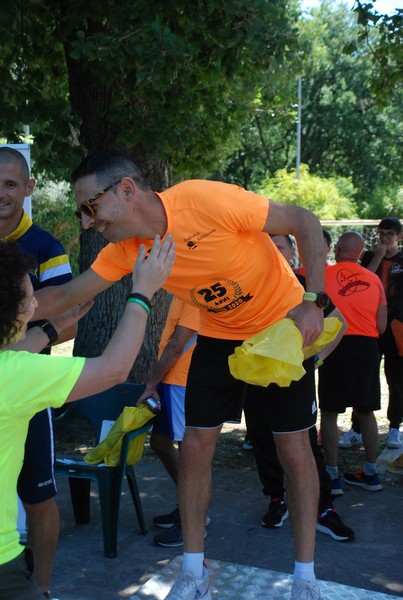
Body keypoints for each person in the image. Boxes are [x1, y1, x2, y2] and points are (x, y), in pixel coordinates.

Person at [33, 149, 329, 600]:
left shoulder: (203, 200)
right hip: (218, 336)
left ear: (126, 191)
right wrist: (13, 313)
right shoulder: (127, 249)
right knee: (193, 447)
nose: (86, 222)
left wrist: (313, 299)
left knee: (294, 450)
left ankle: (305, 579)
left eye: (89, 207)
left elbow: (304, 221)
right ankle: (194, 572)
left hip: (280, 328)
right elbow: (69, 293)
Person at [0, 236, 174, 600]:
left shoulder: (11, 371)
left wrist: (50, 329)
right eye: (27, 299)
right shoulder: (15, 376)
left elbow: (14, 356)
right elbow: (113, 369)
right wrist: (142, 292)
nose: (35, 304)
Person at [0, 146, 75, 599]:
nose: (1, 194)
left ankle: (41, 588)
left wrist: (30, 334)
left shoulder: (46, 246)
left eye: (10, 184)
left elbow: (69, 321)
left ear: (29, 188)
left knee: (39, 493)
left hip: (26, 392)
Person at [244, 234, 354, 543]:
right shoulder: (249, 284)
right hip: (256, 379)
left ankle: (322, 509)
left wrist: (315, 360)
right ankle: (277, 499)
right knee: (262, 440)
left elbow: (340, 324)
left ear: (293, 251)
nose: (274, 252)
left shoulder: (306, 289)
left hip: (296, 380)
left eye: (280, 246)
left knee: (304, 445)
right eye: (268, 246)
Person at [318, 232, 387, 493]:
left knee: (329, 411)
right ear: (361, 253)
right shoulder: (375, 280)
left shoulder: (323, 276)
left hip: (332, 345)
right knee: (366, 411)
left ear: (337, 250)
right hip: (366, 348)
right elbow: (381, 326)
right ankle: (371, 472)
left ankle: (332, 475)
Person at [137, 296, 204, 547]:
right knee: (160, 442)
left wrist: (151, 382)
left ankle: (193, 522)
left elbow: (178, 345)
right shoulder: (182, 289)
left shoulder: (196, 290)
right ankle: (188, 507)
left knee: (190, 456)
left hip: (183, 382)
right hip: (172, 379)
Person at [361, 217, 403, 449]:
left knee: (396, 378)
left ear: (399, 236)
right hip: (370, 324)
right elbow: (362, 283)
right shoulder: (369, 257)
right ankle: (358, 428)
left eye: (389, 234)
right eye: (381, 233)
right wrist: (377, 255)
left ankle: (395, 426)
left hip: (396, 326)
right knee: (366, 375)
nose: (384, 238)